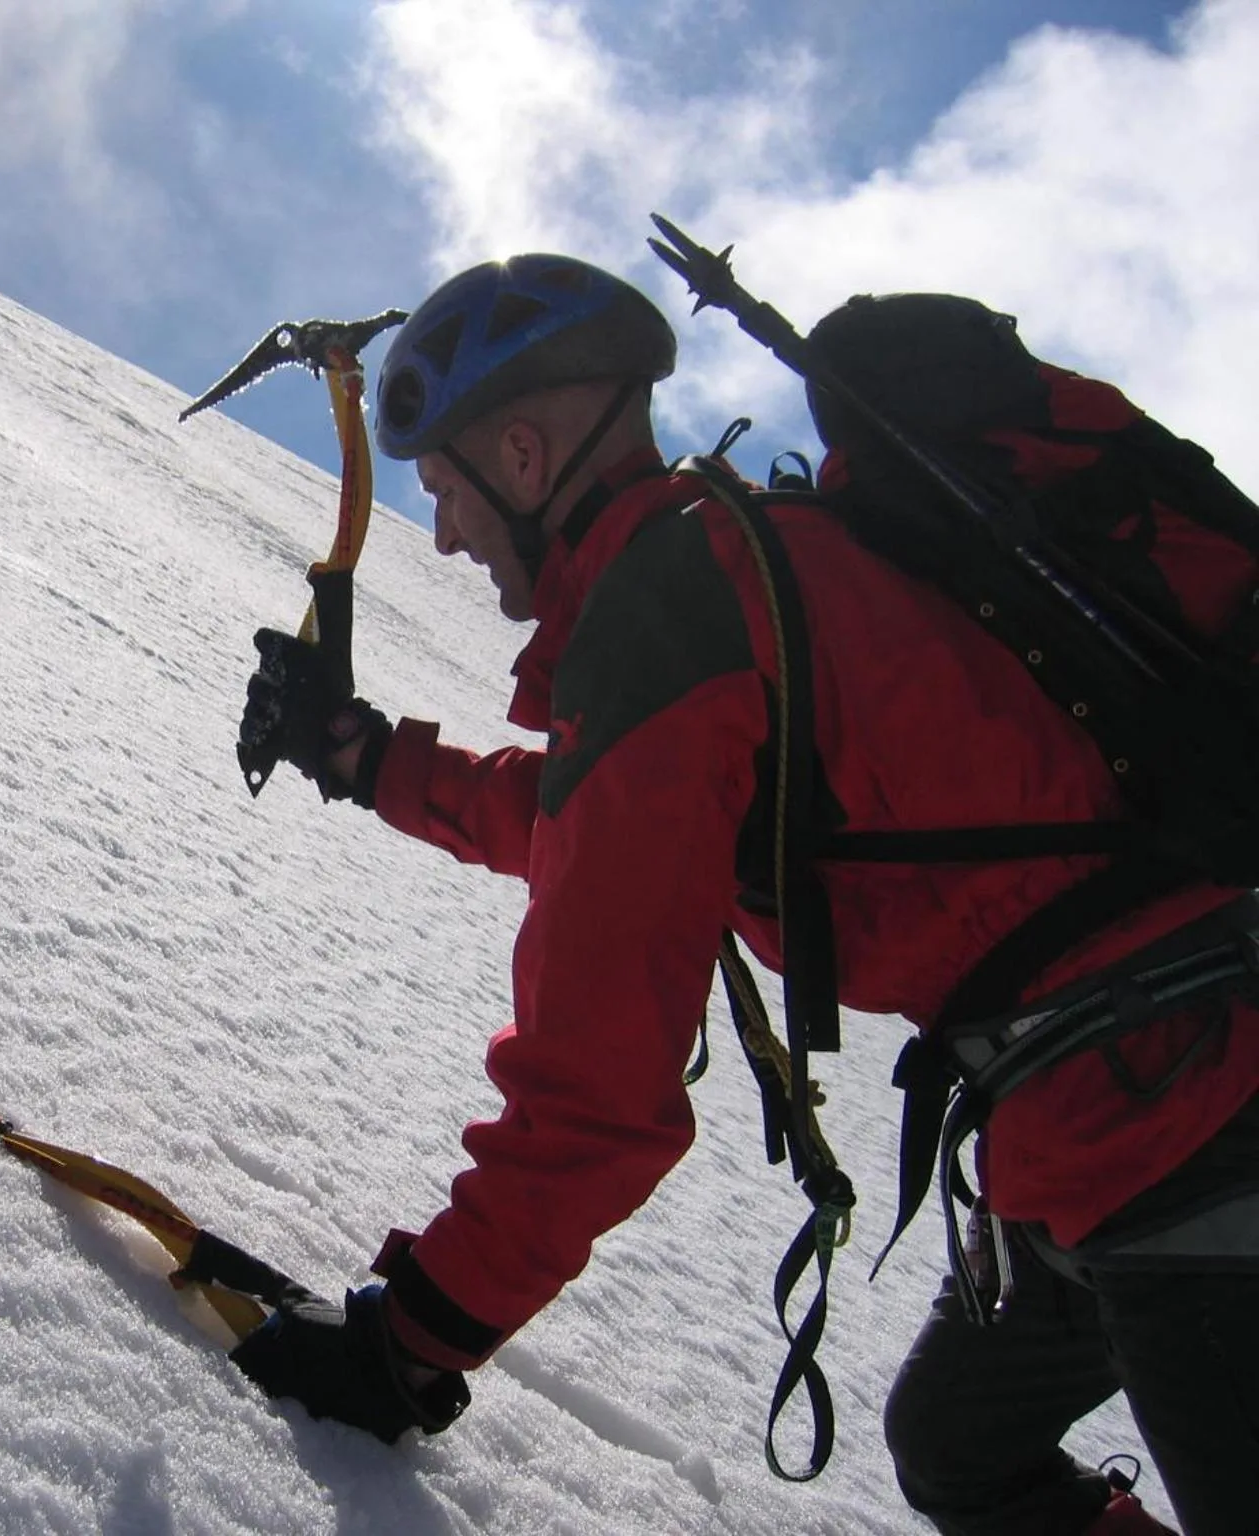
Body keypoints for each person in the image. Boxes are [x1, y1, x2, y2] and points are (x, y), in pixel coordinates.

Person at [228, 253, 1259, 1536]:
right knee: (954, 1451)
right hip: (1120, 1093)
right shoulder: (733, 560)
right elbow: (607, 831)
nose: (441, 532)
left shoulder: (666, 610)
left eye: (444, 489)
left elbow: (596, 1098)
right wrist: (370, 760)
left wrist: (406, 1348)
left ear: (526, 453)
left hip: (1181, 1118)